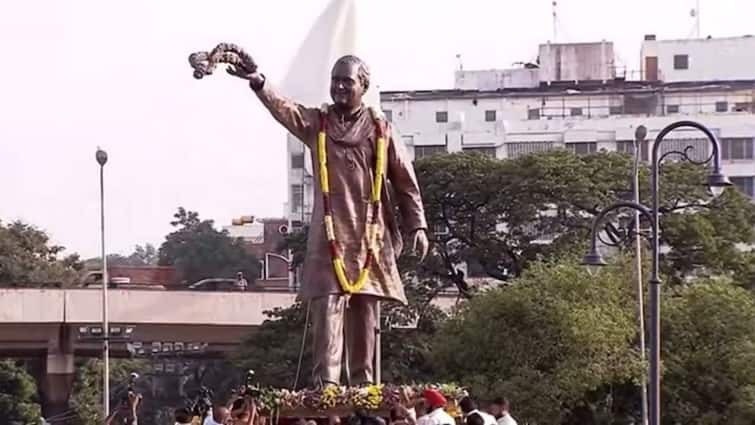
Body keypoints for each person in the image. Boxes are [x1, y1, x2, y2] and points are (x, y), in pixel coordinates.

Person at [227, 53, 429, 386]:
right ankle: (328, 387)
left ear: (363, 85)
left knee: (365, 308)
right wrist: (260, 83)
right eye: (335, 80)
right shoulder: (317, 123)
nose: (339, 87)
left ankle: (364, 385)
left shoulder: (381, 130)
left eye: (346, 81)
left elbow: (405, 181)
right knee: (327, 307)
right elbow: (287, 110)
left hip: (368, 234)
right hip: (329, 234)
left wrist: (417, 225)